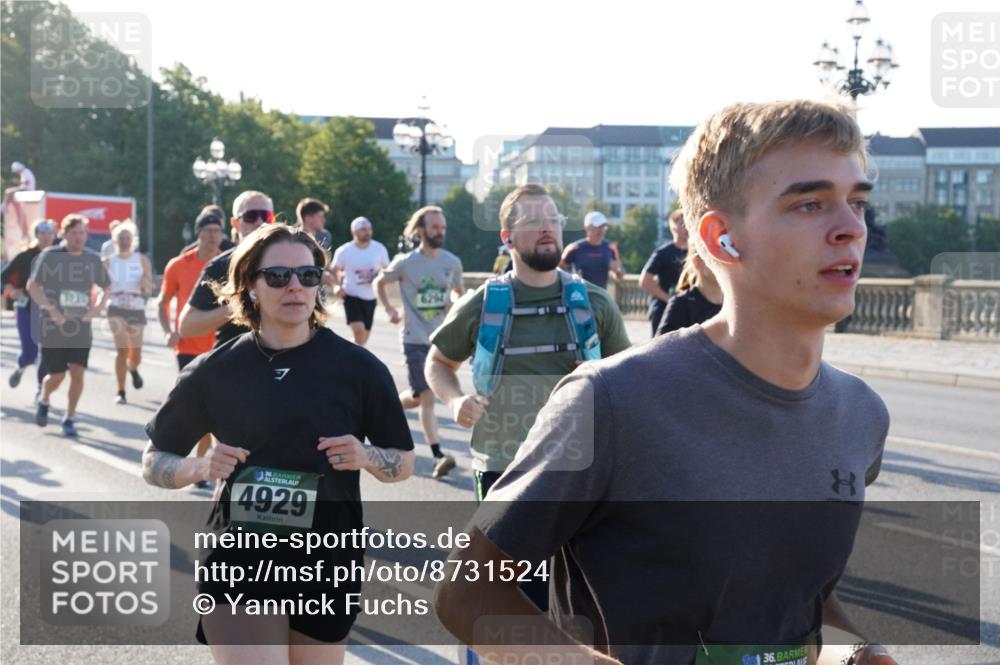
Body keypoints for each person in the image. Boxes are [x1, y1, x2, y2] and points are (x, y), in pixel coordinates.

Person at [435, 100, 895, 665]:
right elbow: (467, 592)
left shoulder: (861, 412)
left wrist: (853, 651)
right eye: (810, 203)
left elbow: (800, 594)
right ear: (722, 237)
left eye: (857, 203)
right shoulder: (613, 400)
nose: (852, 228)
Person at [142, 223, 415, 664]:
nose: (295, 287)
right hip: (238, 559)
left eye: (307, 276)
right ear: (250, 286)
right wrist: (199, 467)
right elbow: (153, 460)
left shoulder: (359, 369)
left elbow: (403, 463)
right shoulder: (214, 370)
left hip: (326, 561)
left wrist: (366, 457)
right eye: (277, 277)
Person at [426, 183, 631, 502]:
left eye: (553, 218)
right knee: (502, 555)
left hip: (579, 468)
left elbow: (629, 381)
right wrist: (455, 401)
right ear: (507, 237)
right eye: (533, 220)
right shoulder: (481, 304)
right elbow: (438, 362)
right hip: (501, 468)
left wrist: (602, 376)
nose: (548, 227)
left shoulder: (595, 303)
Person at [373, 206, 464, 478]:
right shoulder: (406, 262)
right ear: (420, 230)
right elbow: (380, 282)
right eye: (435, 227)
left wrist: (455, 305)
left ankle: (387, 405)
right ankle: (438, 455)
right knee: (427, 397)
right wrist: (389, 309)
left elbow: (459, 293)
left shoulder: (452, 262)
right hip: (414, 339)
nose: (440, 232)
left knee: (418, 396)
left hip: (441, 340)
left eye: (443, 228)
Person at [27, 214, 110, 438]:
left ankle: (70, 417)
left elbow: (107, 287)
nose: (78, 237)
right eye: (73, 233)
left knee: (77, 372)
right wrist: (51, 309)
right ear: (64, 234)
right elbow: (33, 286)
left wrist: (97, 309)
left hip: (81, 325)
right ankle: (44, 398)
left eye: (82, 233)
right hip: (53, 325)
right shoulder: (50, 256)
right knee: (57, 375)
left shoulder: (92, 259)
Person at [157, 209, 223, 482]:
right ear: (198, 234)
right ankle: (200, 464)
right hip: (187, 346)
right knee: (200, 405)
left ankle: (204, 462)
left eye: (216, 231)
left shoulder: (229, 265)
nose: (211, 236)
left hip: (222, 345)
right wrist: (168, 330)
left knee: (216, 407)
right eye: (206, 231)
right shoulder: (179, 265)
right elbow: (163, 301)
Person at [179, 191, 274, 348]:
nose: (259, 222)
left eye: (266, 216)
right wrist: (239, 303)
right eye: (251, 216)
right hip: (234, 362)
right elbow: (186, 326)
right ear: (236, 223)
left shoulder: (290, 260)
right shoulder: (221, 265)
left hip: (280, 361)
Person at [2, 218, 56, 392]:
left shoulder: (60, 257)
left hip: (50, 310)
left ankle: (41, 390)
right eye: (43, 233)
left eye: (49, 233)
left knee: (48, 352)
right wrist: (13, 290)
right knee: (30, 352)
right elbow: (3, 278)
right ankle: (21, 367)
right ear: (36, 235)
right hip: (27, 308)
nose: (46, 237)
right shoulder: (25, 256)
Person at [104, 219, 153, 404]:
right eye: (121, 238)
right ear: (115, 240)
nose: (124, 241)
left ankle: (132, 369)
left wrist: (145, 283)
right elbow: (102, 286)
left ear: (133, 240)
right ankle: (121, 390)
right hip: (115, 306)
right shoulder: (108, 262)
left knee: (136, 353)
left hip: (136, 306)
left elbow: (149, 287)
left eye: (127, 237)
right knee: (122, 349)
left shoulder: (141, 260)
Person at [330, 216, 390, 346]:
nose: (367, 232)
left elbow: (387, 270)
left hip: (370, 297)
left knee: (363, 339)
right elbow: (334, 270)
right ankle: (354, 360)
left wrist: (380, 277)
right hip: (351, 295)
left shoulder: (379, 248)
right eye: (363, 229)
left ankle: (351, 357)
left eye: (369, 229)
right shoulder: (344, 251)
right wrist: (336, 286)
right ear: (354, 232)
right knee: (359, 332)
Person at [640, 208, 689, 335]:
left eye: (690, 222)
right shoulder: (663, 252)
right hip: (664, 311)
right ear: (673, 227)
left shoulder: (697, 252)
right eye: (683, 224)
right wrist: (670, 300)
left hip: (689, 310)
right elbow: (645, 281)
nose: (687, 227)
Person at [656, 250, 723, 336]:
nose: (726, 263)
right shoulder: (681, 304)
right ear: (697, 262)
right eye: (717, 257)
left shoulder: (734, 304)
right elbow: (662, 347)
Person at [559, 210, 623, 288]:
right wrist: (571, 278)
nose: (601, 230)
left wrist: (617, 271)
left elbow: (620, 277)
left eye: (603, 227)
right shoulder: (575, 248)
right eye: (598, 227)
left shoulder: (610, 248)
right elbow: (558, 270)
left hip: (600, 295)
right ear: (587, 228)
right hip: (579, 294)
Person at [4, 161, 37, 238]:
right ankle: (6, 205)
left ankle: (4, 206)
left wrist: (18, 182)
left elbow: (26, 183)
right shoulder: (24, 172)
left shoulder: (26, 172)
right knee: (9, 192)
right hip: (26, 189)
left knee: (8, 192)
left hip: (28, 190)